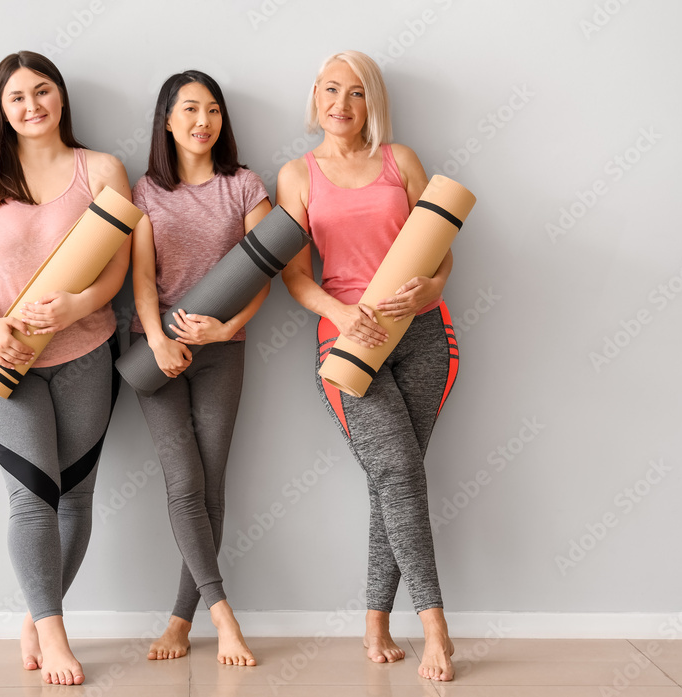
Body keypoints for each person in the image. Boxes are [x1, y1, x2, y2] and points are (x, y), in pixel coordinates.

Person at [0, 51, 131, 686]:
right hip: (6, 363)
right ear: (1, 109)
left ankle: (37, 617)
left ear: (61, 97)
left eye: (43, 91)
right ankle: (56, 637)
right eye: (17, 97)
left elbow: (117, 266)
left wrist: (78, 303)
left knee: (75, 496)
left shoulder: (101, 169)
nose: (32, 106)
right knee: (32, 499)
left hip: (86, 353)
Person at [277, 50, 459, 682]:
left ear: (371, 103)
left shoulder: (400, 162)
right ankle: (437, 627)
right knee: (400, 472)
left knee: (395, 481)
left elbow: (440, 252)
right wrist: (340, 309)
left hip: (425, 339)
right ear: (315, 97)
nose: (341, 104)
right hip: (346, 343)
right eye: (330, 90)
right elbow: (295, 276)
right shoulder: (297, 176)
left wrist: (432, 291)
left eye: (356, 93)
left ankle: (376, 622)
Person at [129, 70, 272, 667]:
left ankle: (182, 619)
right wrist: (158, 338)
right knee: (183, 482)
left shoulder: (244, 186)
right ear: (167, 119)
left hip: (222, 350)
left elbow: (265, 271)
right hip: (155, 352)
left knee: (211, 487)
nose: (202, 122)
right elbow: (139, 277)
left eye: (212, 110)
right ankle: (224, 616)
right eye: (189, 110)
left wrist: (229, 327)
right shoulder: (145, 191)